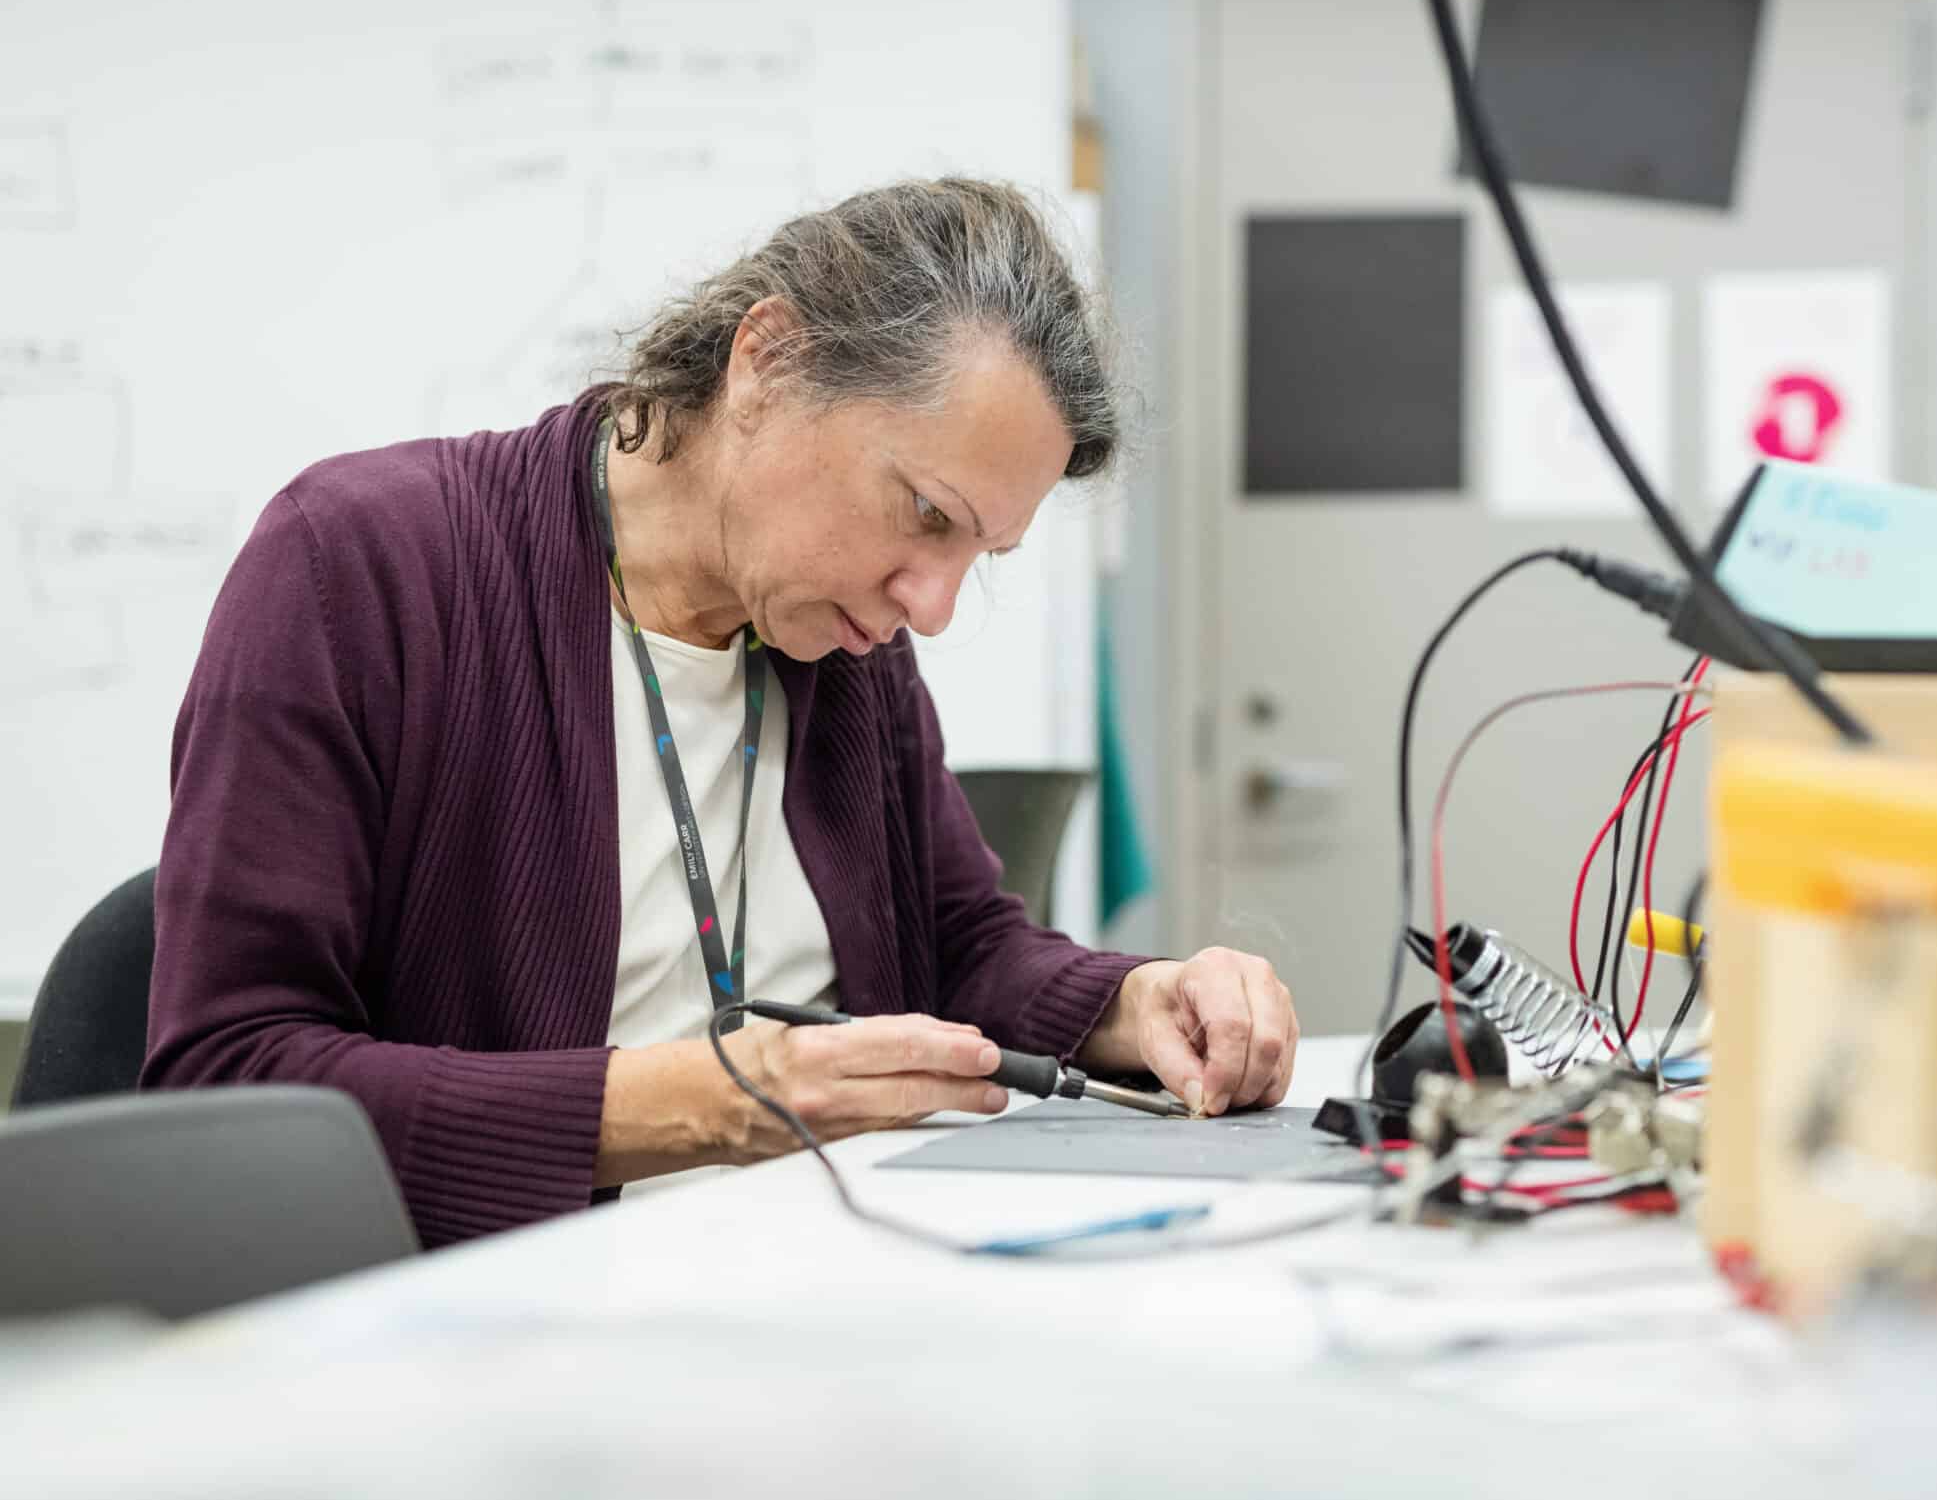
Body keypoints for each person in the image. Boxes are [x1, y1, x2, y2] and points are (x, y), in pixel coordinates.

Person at [142, 178, 1298, 1246]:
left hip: (824, 1301)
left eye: (979, 554)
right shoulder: (361, 566)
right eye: (925, 513)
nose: (932, 606)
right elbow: (230, 1084)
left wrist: (1133, 1000)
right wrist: (691, 1105)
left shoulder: (839, 635)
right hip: (487, 1341)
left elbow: (959, 947)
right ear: (768, 360)